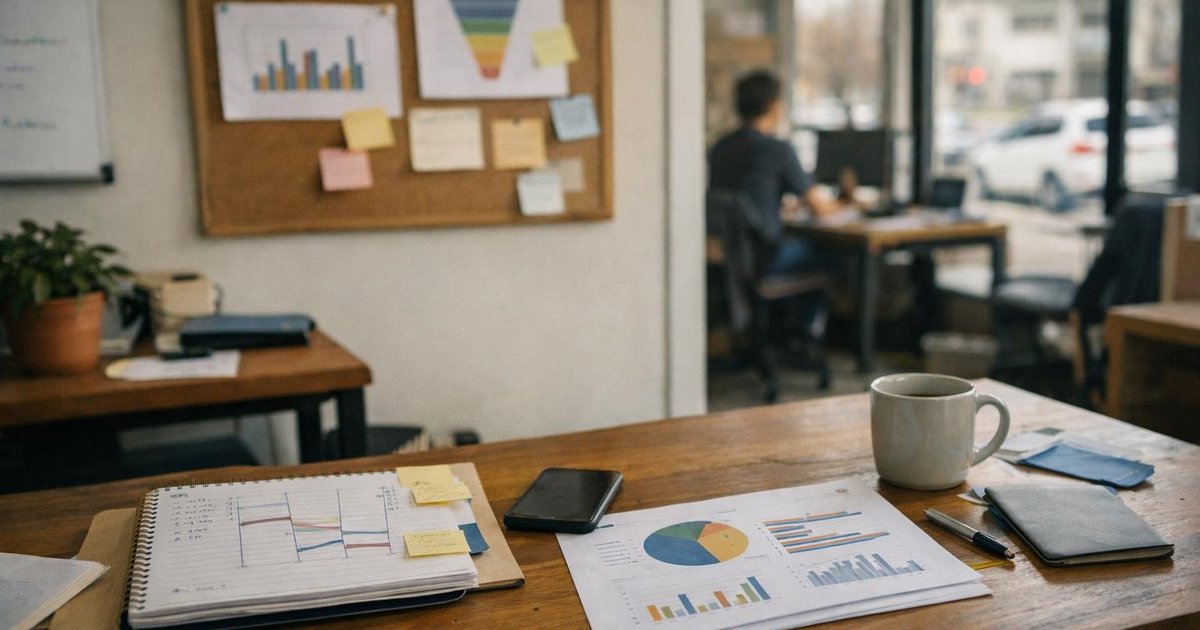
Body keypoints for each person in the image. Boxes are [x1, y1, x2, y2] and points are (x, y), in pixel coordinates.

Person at [708, 69, 851, 277]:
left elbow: (744, 197)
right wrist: (848, 202)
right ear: (774, 106)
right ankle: (807, 311)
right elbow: (821, 209)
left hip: (727, 256)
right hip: (764, 256)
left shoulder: (719, 148)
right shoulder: (777, 150)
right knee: (831, 253)